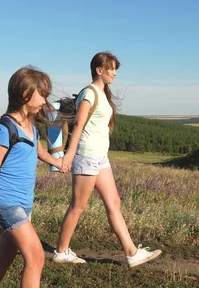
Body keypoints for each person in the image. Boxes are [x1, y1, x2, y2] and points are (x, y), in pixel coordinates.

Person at [53, 51, 162, 268]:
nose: (114, 73)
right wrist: (69, 156)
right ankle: (61, 251)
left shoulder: (102, 93)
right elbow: (79, 126)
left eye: (115, 69)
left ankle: (132, 253)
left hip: (100, 157)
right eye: (110, 68)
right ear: (99, 70)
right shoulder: (89, 93)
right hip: (86, 156)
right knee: (78, 206)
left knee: (114, 202)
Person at [0, 66, 62, 288]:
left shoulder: (30, 126)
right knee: (36, 257)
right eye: (42, 94)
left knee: (5, 256)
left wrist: (58, 163)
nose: (45, 101)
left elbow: (38, 150)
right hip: (7, 203)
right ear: (26, 95)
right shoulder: (4, 129)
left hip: (24, 202)